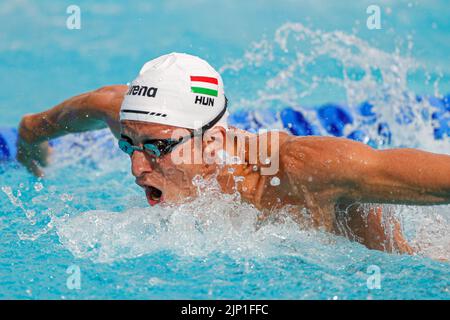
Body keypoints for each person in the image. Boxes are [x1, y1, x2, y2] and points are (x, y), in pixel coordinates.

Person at [16, 53, 450, 254]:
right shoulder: (140, 118)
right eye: (128, 144)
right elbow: (92, 104)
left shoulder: (298, 171)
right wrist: (30, 136)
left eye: (158, 149)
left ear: (214, 141)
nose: (136, 167)